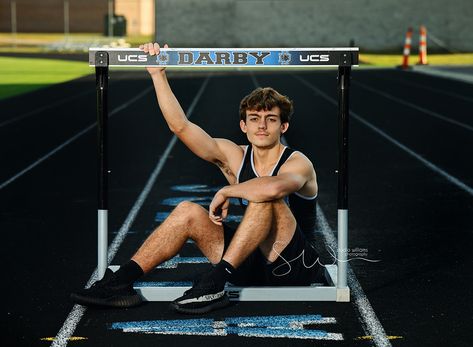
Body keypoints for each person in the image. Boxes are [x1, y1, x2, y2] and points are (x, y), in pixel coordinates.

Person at [71, 43, 321, 314]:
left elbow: (273, 187)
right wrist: (158, 75)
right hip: (248, 263)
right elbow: (181, 127)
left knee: (265, 198)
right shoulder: (234, 155)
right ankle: (121, 282)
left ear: (283, 126)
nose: (261, 125)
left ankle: (215, 282)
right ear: (243, 125)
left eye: (270, 119)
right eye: (254, 118)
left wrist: (227, 192)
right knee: (187, 212)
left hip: (294, 265)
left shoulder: (298, 162)